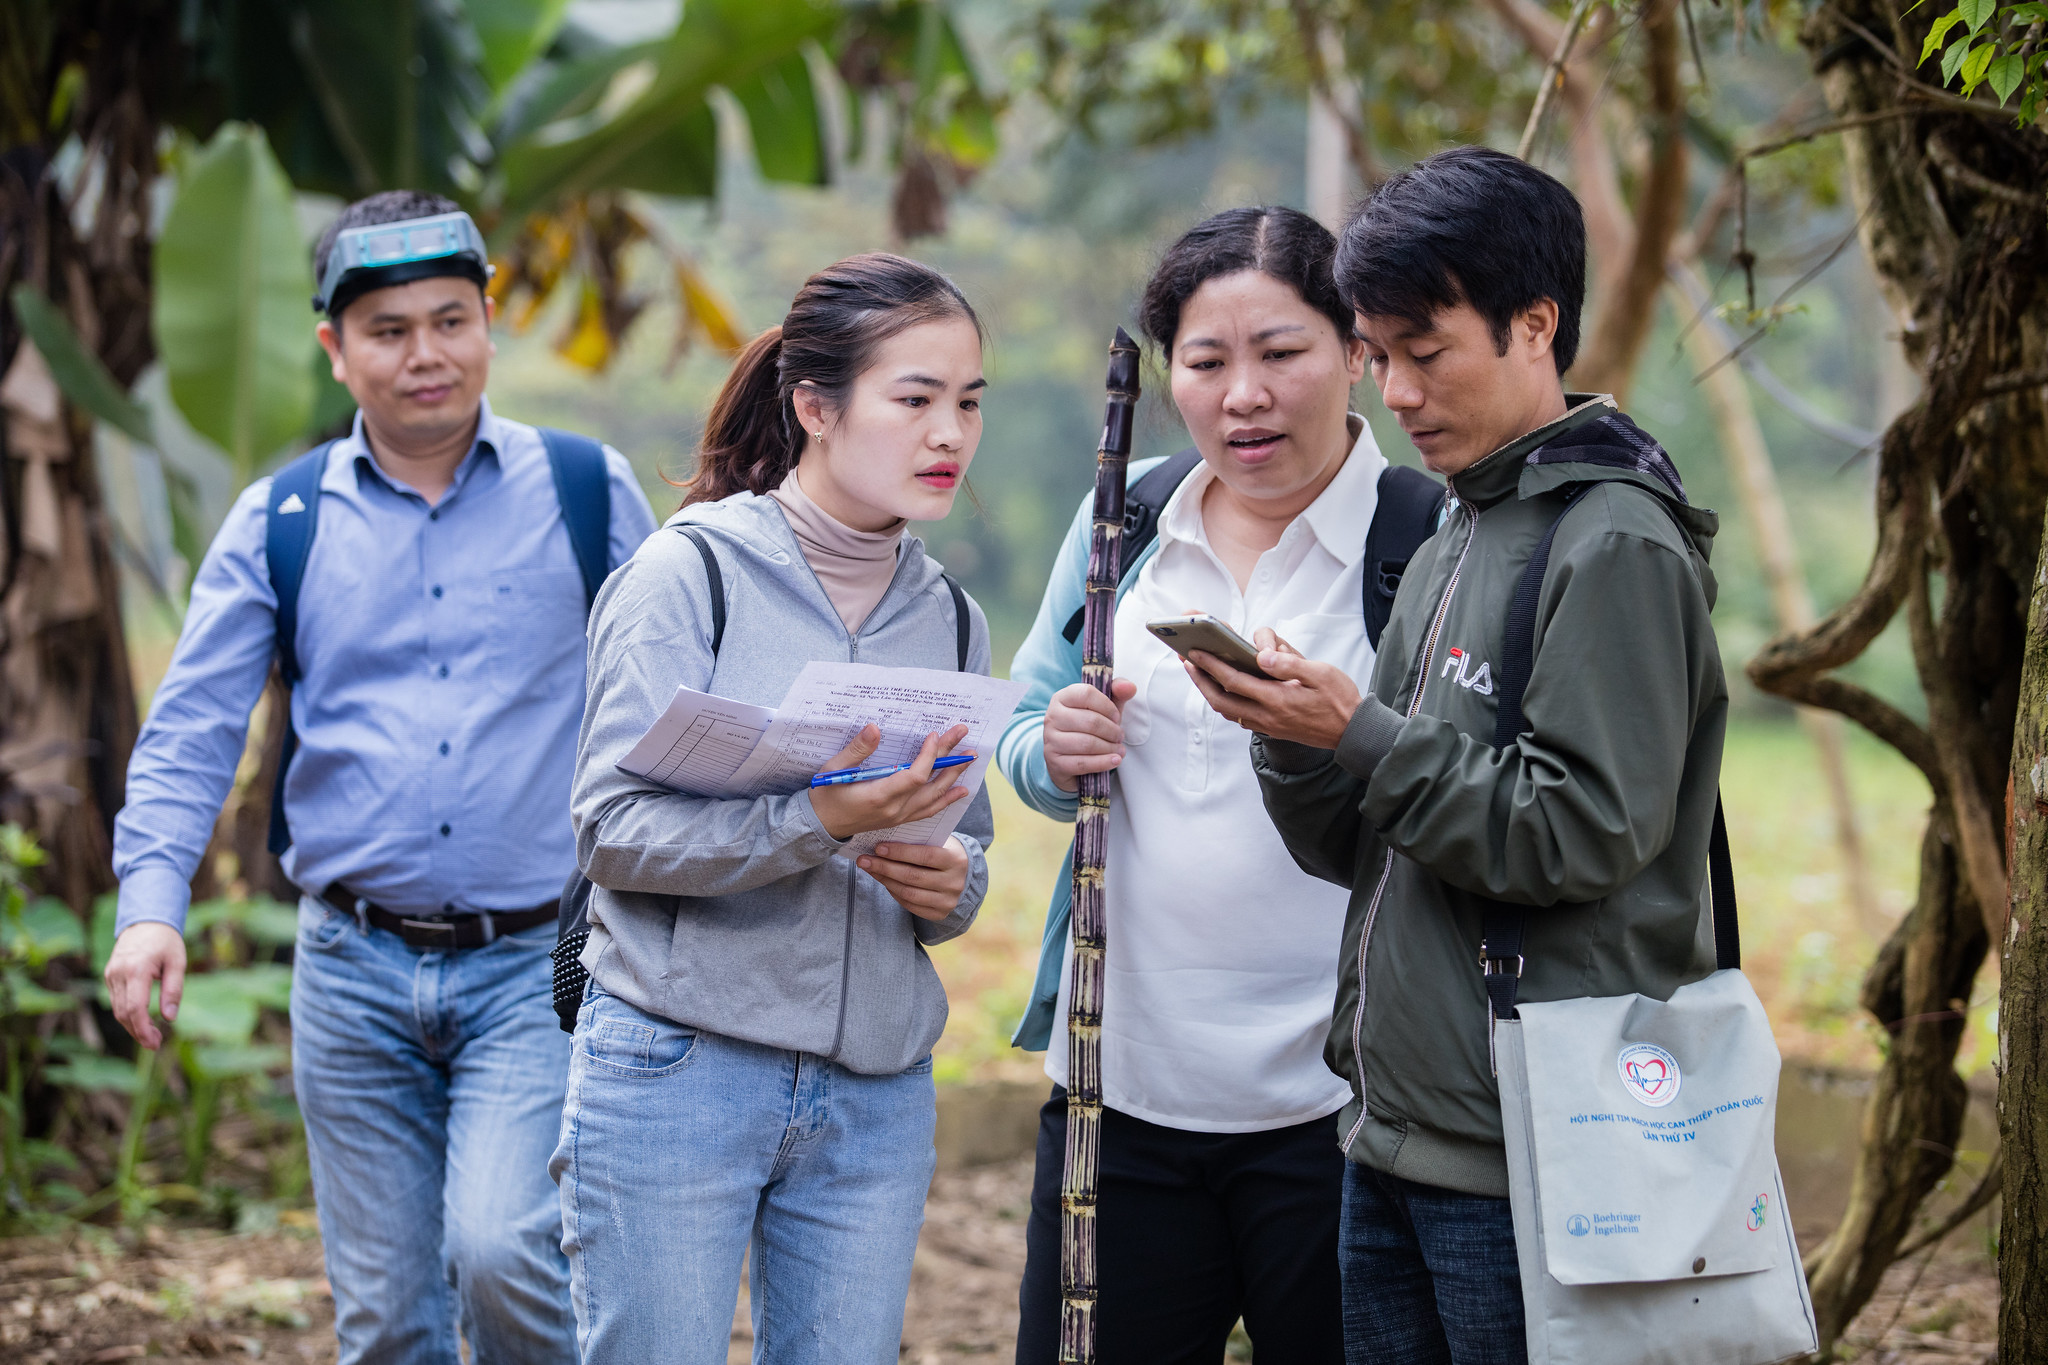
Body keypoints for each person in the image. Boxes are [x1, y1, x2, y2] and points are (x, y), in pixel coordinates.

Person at [1182, 147, 1729, 1365]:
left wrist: (1361, 732)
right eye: (1377, 356)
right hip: (1389, 1134)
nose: (1398, 391)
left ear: (1533, 325)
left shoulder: (1609, 546)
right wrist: (1288, 739)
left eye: (1424, 353)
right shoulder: (1451, 537)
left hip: (1533, 1154)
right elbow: (1360, 846)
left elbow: (1577, 835)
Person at [104, 189, 658, 1364]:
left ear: (487, 324)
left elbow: (671, 698)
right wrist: (151, 909)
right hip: (348, 973)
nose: (426, 355)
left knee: (506, 1253)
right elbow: (192, 727)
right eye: (389, 330)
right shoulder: (280, 519)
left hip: (533, 964)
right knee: (385, 1319)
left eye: (450, 321)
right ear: (333, 350)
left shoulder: (585, 490)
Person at [996, 205, 1444, 1364]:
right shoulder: (1122, 521)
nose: (1242, 394)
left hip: (1344, 1113)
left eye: (1280, 353)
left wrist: (1349, 732)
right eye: (1205, 362)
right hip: (1119, 1094)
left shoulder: (1426, 539)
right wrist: (1052, 749)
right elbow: (1019, 719)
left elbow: (1462, 793)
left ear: (1356, 353)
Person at [554, 252, 996, 1364]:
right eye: (915, 399)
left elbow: (965, 850)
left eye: (967, 403)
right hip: (676, 1069)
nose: (948, 434)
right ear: (814, 406)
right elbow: (609, 829)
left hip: (874, 1096)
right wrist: (819, 823)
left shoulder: (950, 618)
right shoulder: (685, 577)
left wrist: (950, 886)